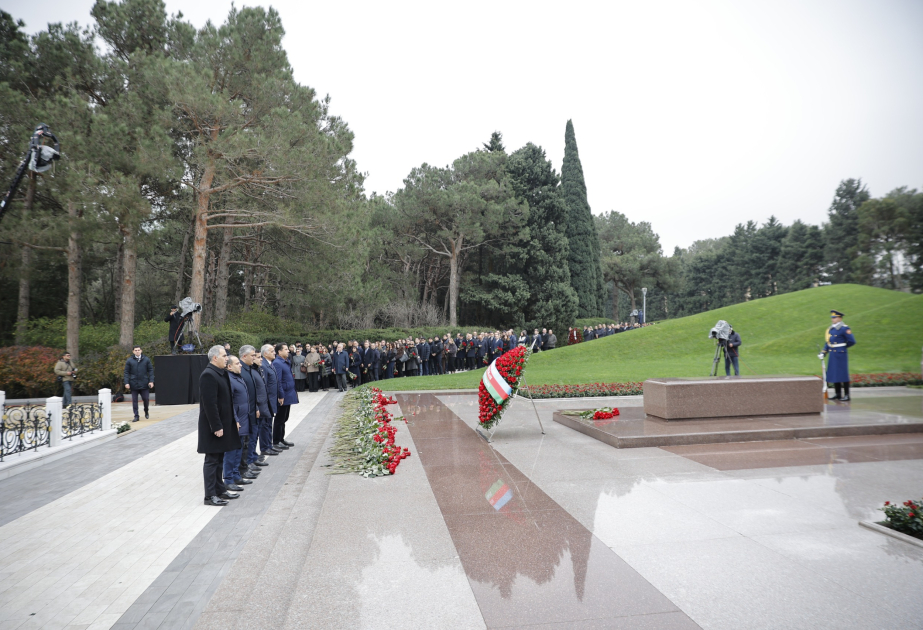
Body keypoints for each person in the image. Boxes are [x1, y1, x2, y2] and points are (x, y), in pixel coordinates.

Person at [198, 345, 241, 506]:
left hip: (223, 424)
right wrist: (216, 426)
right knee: (212, 460)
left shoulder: (220, 373)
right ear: (215, 358)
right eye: (224, 355)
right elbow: (210, 404)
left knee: (219, 458)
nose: (227, 358)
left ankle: (220, 490)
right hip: (213, 427)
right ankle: (209, 496)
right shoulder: (208, 375)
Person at [223, 355, 250, 492]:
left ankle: (235, 475)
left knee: (239, 448)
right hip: (237, 420)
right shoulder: (229, 380)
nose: (240, 365)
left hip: (244, 418)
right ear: (229, 366)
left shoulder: (238, 377)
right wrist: (235, 419)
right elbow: (230, 402)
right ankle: (228, 479)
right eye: (237, 363)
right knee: (231, 451)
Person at [822, 310, 856, 401]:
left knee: (843, 374)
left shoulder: (844, 328)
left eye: (835, 317)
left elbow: (852, 341)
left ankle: (847, 395)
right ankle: (838, 394)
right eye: (832, 318)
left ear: (840, 318)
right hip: (833, 353)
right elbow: (828, 342)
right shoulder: (831, 329)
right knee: (835, 374)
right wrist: (823, 352)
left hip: (840, 354)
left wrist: (843, 347)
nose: (833, 319)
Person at [272, 343, 297, 449]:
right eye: (286, 349)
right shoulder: (277, 363)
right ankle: (276, 441)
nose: (288, 351)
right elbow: (279, 381)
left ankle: (281, 438)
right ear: (279, 352)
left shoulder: (286, 361)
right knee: (280, 419)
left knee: (285, 418)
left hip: (289, 392)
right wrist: (281, 395)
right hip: (284, 394)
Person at [257, 345, 278, 462]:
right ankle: (265, 447)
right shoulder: (263, 365)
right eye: (272, 351)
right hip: (266, 401)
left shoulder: (269, 363)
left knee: (269, 424)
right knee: (264, 425)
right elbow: (263, 385)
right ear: (265, 353)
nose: (274, 353)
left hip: (271, 400)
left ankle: (269, 445)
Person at [123, 345, 154, 422]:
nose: (137, 351)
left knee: (146, 399)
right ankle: (136, 416)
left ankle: (146, 410)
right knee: (135, 401)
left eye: (138, 350)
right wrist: (126, 382)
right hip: (134, 384)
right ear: (133, 351)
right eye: (136, 350)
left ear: (141, 350)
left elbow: (150, 370)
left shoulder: (146, 359)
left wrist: (151, 381)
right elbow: (126, 372)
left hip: (144, 383)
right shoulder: (129, 361)